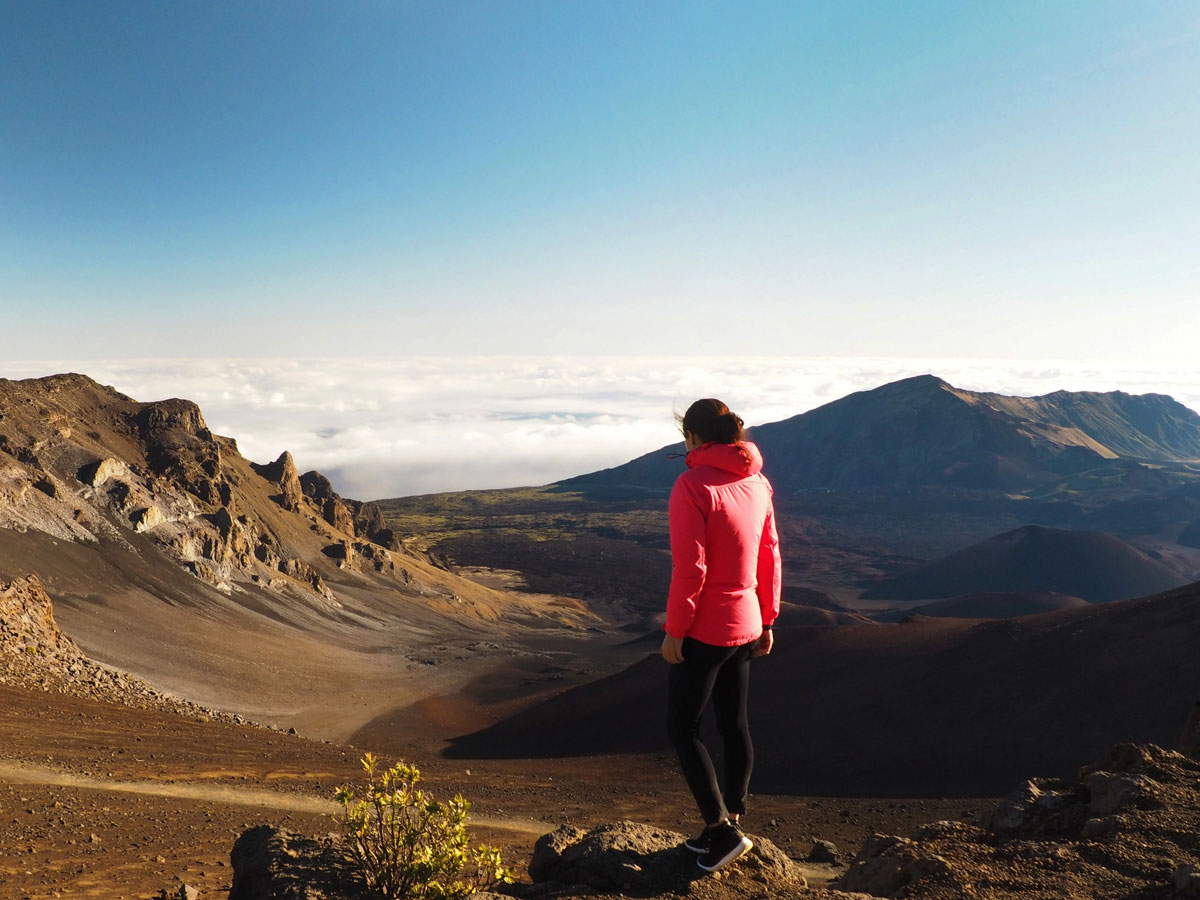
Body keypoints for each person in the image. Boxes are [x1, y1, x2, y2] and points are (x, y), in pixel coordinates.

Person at [661, 398, 780, 873]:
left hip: (707, 629)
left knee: (682, 728)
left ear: (692, 438)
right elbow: (770, 553)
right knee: (733, 723)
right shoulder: (758, 480)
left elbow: (690, 569)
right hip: (748, 622)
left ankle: (720, 831)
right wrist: (767, 619)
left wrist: (676, 631)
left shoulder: (691, 486)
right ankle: (731, 817)